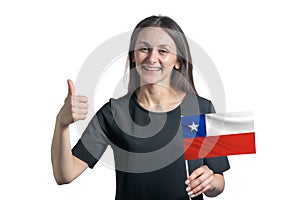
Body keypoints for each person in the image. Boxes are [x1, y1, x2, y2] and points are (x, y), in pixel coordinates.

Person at [51, 15, 230, 200]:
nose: (152, 58)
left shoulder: (201, 108)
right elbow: (65, 174)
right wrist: (61, 124)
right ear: (134, 56)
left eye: (163, 51)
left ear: (177, 61)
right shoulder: (114, 112)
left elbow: (219, 181)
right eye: (144, 49)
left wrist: (211, 182)